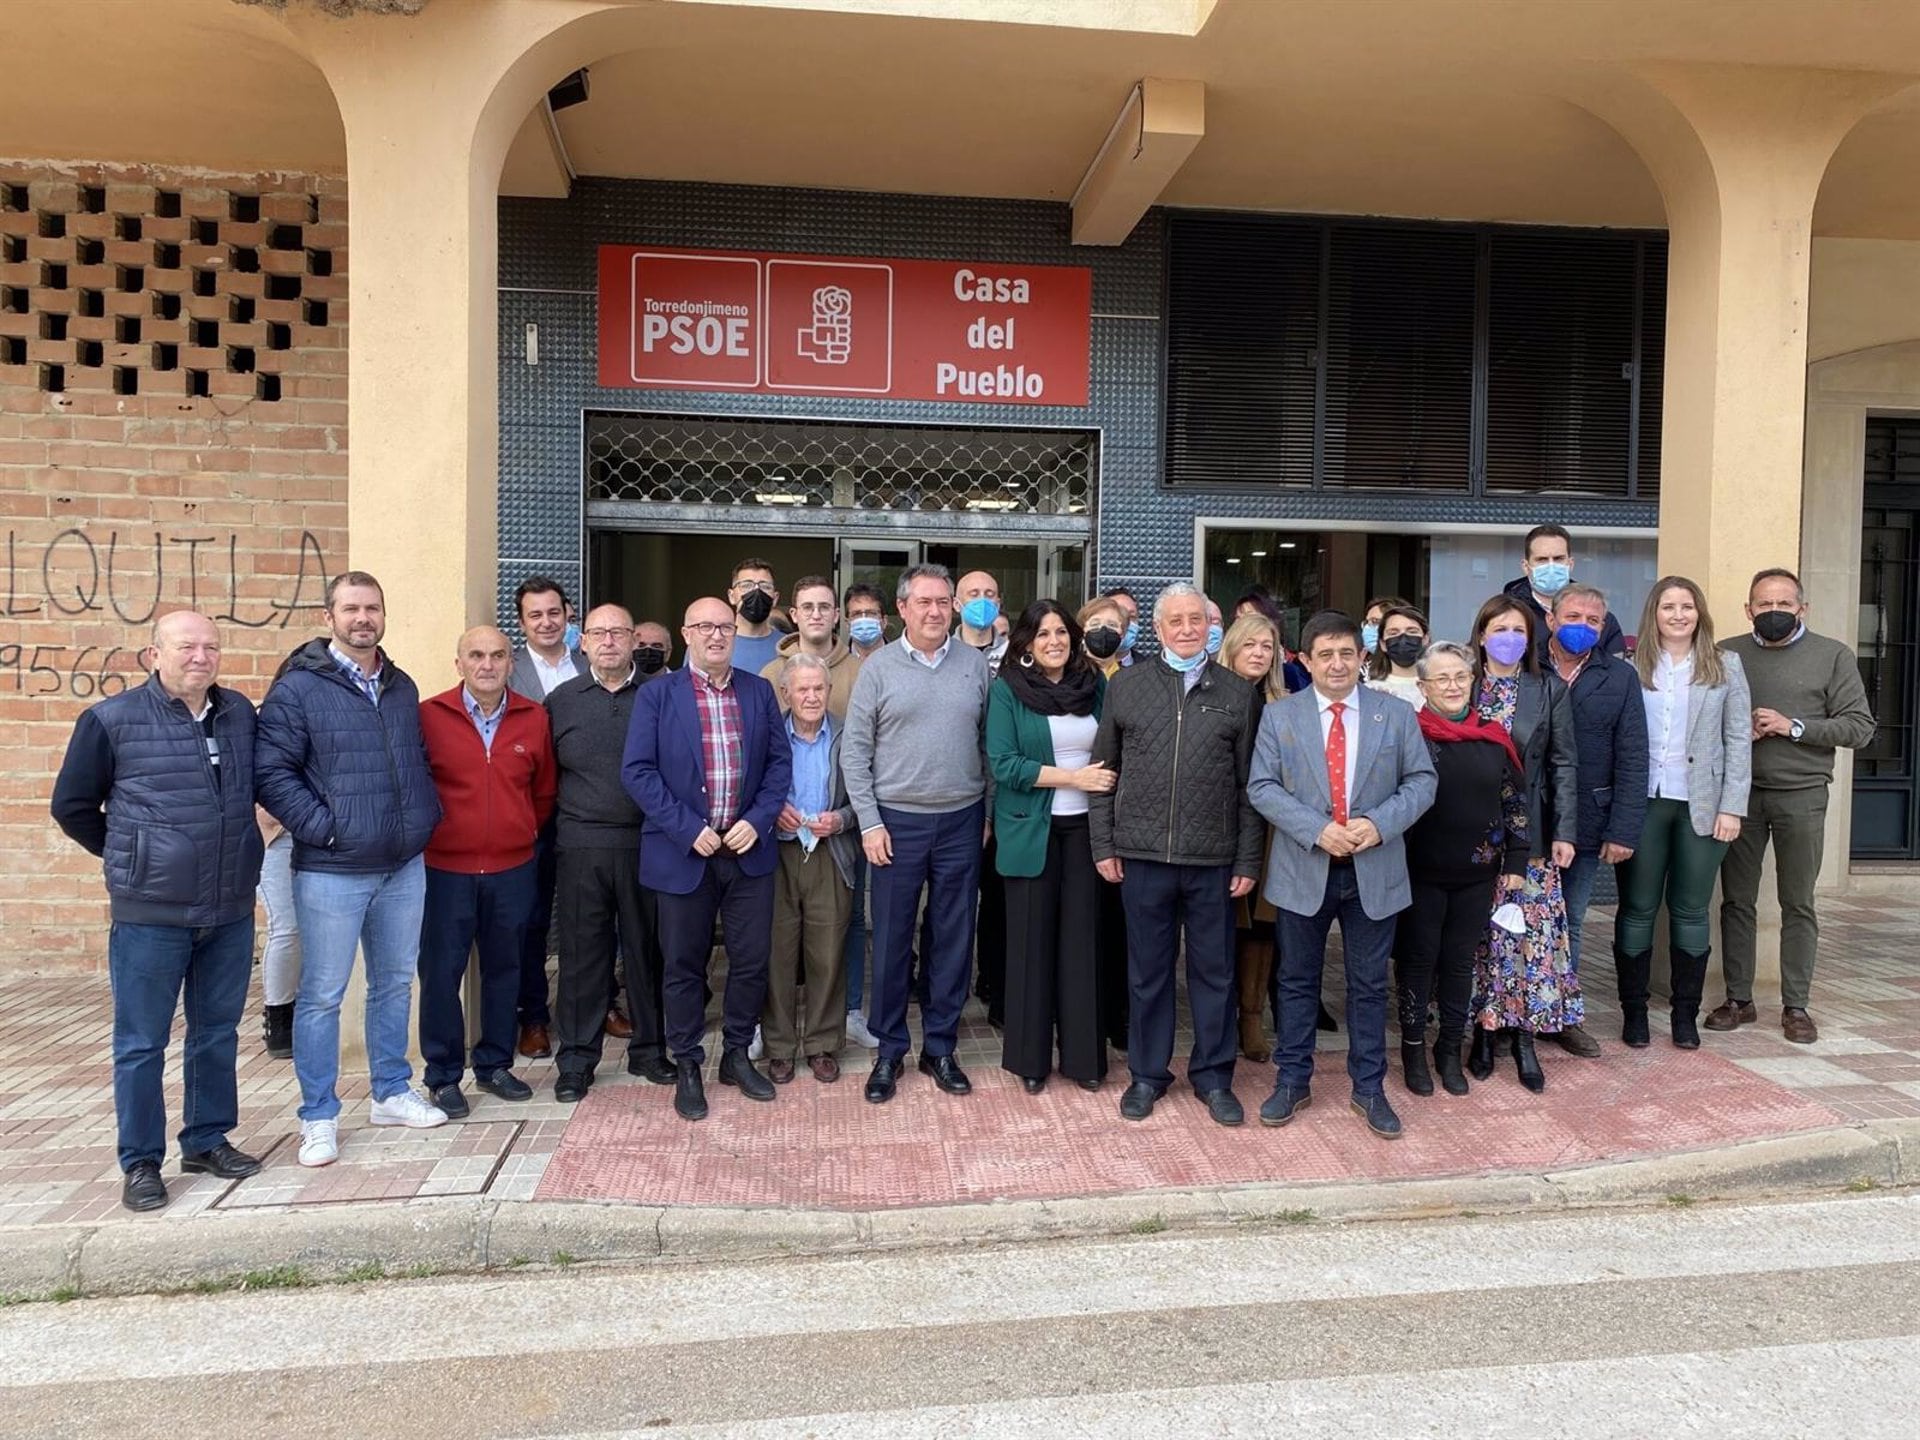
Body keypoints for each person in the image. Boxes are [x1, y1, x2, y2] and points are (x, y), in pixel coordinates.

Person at [51, 611, 267, 1211]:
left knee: (217, 1031)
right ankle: (141, 1161)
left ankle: (205, 1138)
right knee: (142, 1042)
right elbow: (72, 806)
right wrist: (135, 858)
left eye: (210, 647)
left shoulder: (238, 715)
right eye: (186, 646)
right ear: (154, 654)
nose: (200, 656)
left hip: (227, 905)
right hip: (150, 914)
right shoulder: (111, 720)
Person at [256, 572, 448, 1167]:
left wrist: (424, 818)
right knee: (321, 996)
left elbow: (413, 759)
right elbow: (272, 774)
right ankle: (318, 1115)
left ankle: (391, 1089)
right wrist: (325, 828)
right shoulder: (299, 689)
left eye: (372, 608)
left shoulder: (399, 684)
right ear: (329, 616)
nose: (363, 618)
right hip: (332, 869)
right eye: (351, 609)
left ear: (384, 615)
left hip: (402, 864)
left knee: (393, 983)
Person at [1249, 610, 1437, 1139]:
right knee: (1295, 981)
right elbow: (1262, 787)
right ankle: (1292, 1079)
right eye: (1325, 655)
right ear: (1305, 660)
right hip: (1304, 866)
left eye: (1347, 653)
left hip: (1373, 868)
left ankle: (1369, 1087)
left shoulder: (1394, 714)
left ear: (1363, 657)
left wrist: (1379, 825)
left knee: (1369, 984)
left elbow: (1422, 781)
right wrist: (1316, 829)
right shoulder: (1280, 716)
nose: (1337, 664)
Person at [1090, 582, 1264, 1126]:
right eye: (1176, 620)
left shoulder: (1238, 692)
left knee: (1215, 974)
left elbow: (1250, 787)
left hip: (1213, 861)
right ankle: (1147, 1074)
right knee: (1148, 973)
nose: (1187, 628)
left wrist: (1246, 860)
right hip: (1141, 856)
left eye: (1197, 619)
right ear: (1158, 629)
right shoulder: (1127, 687)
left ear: (1211, 628)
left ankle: (1214, 1078)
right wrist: (1103, 844)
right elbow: (1103, 774)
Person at [622, 597, 791, 1121]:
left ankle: (737, 1055)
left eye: (724, 626)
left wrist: (757, 820)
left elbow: (779, 766)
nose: (716, 635)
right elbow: (638, 772)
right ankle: (689, 1061)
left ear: (735, 633)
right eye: (704, 627)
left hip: (746, 851)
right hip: (684, 852)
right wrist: (686, 828)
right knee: (683, 965)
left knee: (750, 960)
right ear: (686, 632)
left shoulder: (759, 691)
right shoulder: (656, 695)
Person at [842, 563, 993, 1105]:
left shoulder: (975, 666)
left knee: (952, 937)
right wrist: (870, 822)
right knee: (890, 937)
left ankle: (941, 1047)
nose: (934, 611)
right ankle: (888, 1051)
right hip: (896, 822)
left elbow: (987, 747)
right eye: (923, 602)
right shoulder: (878, 669)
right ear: (902, 609)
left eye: (942, 602)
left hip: (961, 819)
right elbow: (854, 752)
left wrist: (988, 815)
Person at [1710, 567, 1875, 1044]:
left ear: (1802, 609)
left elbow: (1859, 728)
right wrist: (1739, 729)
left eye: (1785, 604)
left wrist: (1793, 726)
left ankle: (1796, 1005)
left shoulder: (1832, 656)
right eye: (1765, 604)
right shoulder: (1728, 655)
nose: (1775, 612)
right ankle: (1739, 999)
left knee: (1797, 901)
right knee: (1736, 899)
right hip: (1739, 797)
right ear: (1749, 609)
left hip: (1802, 796)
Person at [416, 626, 556, 1117]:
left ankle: (495, 1064)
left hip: (512, 868)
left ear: (510, 663)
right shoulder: (429, 716)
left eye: (498, 655)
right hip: (445, 870)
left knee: (505, 970)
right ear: (459, 664)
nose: (487, 664)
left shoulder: (532, 717)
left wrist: (515, 835)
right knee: (440, 975)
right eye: (476, 655)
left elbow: (542, 794)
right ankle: (443, 1075)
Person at [1614, 577, 1751, 1049]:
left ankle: (1684, 1016)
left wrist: (1733, 806)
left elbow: (1738, 741)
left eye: (1687, 606)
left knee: (1691, 909)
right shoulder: (1629, 667)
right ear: (1653, 613)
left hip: (1705, 806)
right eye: (1668, 606)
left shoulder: (1725, 665)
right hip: (1643, 802)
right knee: (1637, 908)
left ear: (1700, 613)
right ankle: (1633, 1014)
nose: (1678, 614)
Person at [546, 604, 674, 1101]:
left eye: (619, 633)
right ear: (583, 642)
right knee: (583, 956)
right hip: (582, 845)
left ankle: (649, 1049)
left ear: (633, 639)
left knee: (647, 951)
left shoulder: (661, 695)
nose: (609, 642)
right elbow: (545, 777)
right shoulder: (561, 701)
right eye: (598, 633)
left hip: (648, 841)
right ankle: (577, 1059)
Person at [988, 600, 1114, 1093]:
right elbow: (1004, 763)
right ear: (1026, 644)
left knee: (1082, 946)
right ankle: (1030, 1061)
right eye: (1042, 634)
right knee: (1029, 948)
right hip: (1029, 832)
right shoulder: (1008, 692)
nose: (1054, 641)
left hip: (1086, 832)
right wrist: (1072, 777)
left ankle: (1084, 1059)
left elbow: (1115, 746)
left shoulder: (1095, 686)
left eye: (1061, 632)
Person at [1398, 641, 1531, 1096]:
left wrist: (1516, 858)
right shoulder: (1408, 735)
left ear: (1472, 681)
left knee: (1459, 965)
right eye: (1442, 678)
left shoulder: (1493, 735)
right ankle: (1414, 1051)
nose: (1452, 685)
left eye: (1461, 676)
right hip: (1418, 873)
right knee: (1418, 963)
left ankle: (1449, 1050)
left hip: (1478, 872)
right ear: (1423, 686)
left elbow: (1513, 802)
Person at [1464, 595, 1580, 1094]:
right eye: (1499, 628)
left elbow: (1564, 764)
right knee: (1482, 937)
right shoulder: (1462, 682)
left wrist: (1565, 831)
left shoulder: (1547, 688)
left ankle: (1525, 1036)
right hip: (1469, 830)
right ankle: (1484, 1032)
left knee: (1528, 938)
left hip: (1529, 834)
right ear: (1482, 633)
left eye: (1518, 629)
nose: (1509, 637)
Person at [1541, 583, 1649, 1058]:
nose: (1582, 626)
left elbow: (1633, 755)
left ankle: (1563, 1015)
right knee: (1513, 919)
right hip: (1523, 816)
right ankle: (1510, 1014)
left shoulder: (1620, 678)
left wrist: (1624, 828)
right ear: (1550, 619)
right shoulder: (1525, 666)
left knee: (1570, 919)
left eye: (1593, 620)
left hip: (1588, 818)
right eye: (1573, 616)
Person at [762, 655, 859, 1084]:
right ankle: (779, 1046)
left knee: (827, 953)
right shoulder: (766, 734)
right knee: (777, 954)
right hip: (777, 855)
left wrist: (841, 819)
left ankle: (822, 1043)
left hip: (828, 852)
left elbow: (867, 793)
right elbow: (749, 788)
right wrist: (770, 810)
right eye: (802, 689)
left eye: (818, 688)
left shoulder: (848, 734)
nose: (811, 696)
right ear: (786, 694)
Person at [505, 575, 586, 1062]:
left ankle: (596, 1005)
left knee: (588, 918)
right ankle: (533, 1015)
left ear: (568, 613)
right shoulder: (507, 671)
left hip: (581, 811)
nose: (546, 622)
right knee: (531, 918)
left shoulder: (588, 663)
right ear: (521, 623)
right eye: (535, 615)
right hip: (529, 813)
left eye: (553, 612)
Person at [1222, 611, 1286, 1062]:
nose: (1259, 653)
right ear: (1232, 647)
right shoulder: (1214, 694)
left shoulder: (1286, 703)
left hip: (1270, 829)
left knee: (1262, 926)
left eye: (1267, 646)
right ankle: (1220, 1018)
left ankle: (1251, 1017)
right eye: (1250, 644)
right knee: (1222, 925)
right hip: (1219, 824)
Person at [1076, 594, 1135, 1055]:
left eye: (1115, 624)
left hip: (1132, 818)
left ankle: (1122, 1014)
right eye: (1096, 623)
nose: (1106, 631)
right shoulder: (1073, 679)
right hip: (1080, 815)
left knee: (1125, 927)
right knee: (1088, 924)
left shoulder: (1140, 679)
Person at [839, 581, 889, 1050]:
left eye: (871, 612)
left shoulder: (896, 662)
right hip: (839, 812)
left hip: (890, 812)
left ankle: (858, 1008)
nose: (865, 620)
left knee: (876, 917)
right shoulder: (834, 667)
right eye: (856, 613)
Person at [1502, 524, 1626, 658]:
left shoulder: (1597, 616)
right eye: (1542, 560)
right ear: (1526, 567)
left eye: (1558, 559)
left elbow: (1617, 673)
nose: (1551, 566)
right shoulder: (1505, 615)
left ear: (1570, 564)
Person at [761, 574, 863, 720]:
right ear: (794, 615)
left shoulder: (861, 673)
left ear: (836, 615)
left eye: (824, 607)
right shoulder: (770, 675)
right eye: (808, 607)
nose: (816, 615)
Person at [256, 805, 299, 1060]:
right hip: (277, 832)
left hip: (324, 828)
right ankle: (278, 1018)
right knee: (286, 927)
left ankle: (306, 1015)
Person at [727, 557, 785, 677]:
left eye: (765, 586)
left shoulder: (787, 647)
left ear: (775, 598)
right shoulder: (712, 644)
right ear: (732, 596)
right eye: (746, 585)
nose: (756, 591)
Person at [1364, 604, 1429, 709]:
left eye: (1412, 631)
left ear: (1425, 639)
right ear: (1383, 644)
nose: (1403, 638)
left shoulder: (1439, 686)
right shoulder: (1371, 690)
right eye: (1393, 633)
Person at [956, 570, 1010, 675]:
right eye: (974, 594)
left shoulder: (1013, 654)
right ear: (957, 604)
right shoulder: (944, 653)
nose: (982, 600)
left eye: (989, 595)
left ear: (998, 605)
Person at [1360, 594, 1411, 665]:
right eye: (1367, 622)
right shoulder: (1361, 665)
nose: (1367, 628)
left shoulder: (1418, 668)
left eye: (1374, 621)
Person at [1102, 586, 1142, 667]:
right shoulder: (1080, 669)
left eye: (1131, 617)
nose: (1126, 623)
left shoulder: (1150, 670)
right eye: (1119, 615)